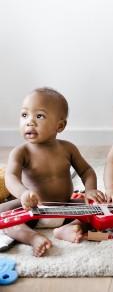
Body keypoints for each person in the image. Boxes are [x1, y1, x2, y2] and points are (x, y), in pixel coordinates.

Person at [1, 87, 105, 256]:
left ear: (60, 125)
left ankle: (68, 229)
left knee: (101, 209)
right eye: (24, 115)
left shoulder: (67, 148)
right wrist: (23, 194)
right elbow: (11, 176)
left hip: (66, 207)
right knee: (5, 217)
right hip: (31, 209)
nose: (30, 122)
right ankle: (33, 238)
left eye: (39, 116)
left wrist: (90, 190)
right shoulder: (21, 152)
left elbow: (86, 171)